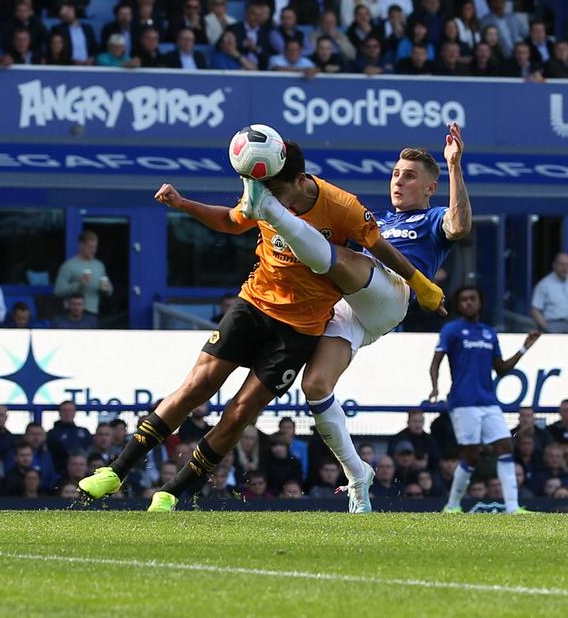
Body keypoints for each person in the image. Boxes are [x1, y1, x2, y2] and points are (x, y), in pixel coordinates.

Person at [79, 137, 409, 512]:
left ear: (301, 180)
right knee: (196, 385)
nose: (274, 204)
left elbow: (378, 247)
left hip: (301, 330)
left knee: (240, 411)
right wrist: (182, 203)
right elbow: (233, 221)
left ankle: (172, 491)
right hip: (254, 304)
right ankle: (115, 471)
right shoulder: (263, 191)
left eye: (280, 193)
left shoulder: (343, 207)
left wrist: (420, 285)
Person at [237, 126, 459, 513]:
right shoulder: (380, 222)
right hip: (353, 306)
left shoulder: (433, 218)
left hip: (391, 294)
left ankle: (268, 205)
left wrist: (455, 166)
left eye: (409, 176)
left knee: (341, 258)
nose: (398, 181)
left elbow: (459, 226)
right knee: (315, 386)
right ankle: (358, 476)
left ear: (430, 188)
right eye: (395, 174)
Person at [429, 285, 541, 514]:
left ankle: (512, 508)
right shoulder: (451, 330)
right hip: (463, 402)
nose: (468, 303)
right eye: (464, 300)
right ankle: (452, 505)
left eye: (473, 299)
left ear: (480, 302)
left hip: (489, 402)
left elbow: (500, 368)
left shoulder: (490, 332)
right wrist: (434, 388)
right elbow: (436, 361)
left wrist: (523, 348)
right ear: (458, 305)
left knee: (505, 446)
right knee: (470, 456)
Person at [53, 230, 111, 316]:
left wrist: (106, 289)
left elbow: (110, 290)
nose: (93, 250)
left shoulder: (99, 265)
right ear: (81, 245)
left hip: (92, 313)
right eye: (90, 247)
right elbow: (58, 291)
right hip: (72, 315)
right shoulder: (69, 266)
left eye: (95, 247)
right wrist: (78, 284)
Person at [530, 253, 568, 333]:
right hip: (554, 324)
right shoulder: (544, 284)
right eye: (562, 265)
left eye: (567, 265)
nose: (565, 268)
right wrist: (546, 327)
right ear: (554, 265)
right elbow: (535, 309)